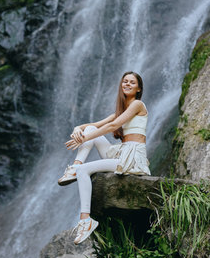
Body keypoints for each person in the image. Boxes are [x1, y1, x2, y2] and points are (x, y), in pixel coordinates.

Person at [58, 71, 151, 245]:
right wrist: (79, 129)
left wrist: (84, 139)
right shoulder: (121, 110)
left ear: (139, 88)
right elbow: (93, 126)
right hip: (121, 152)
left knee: (84, 170)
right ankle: (74, 167)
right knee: (90, 131)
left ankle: (86, 220)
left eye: (132, 82)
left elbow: (113, 126)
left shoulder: (138, 104)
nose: (128, 84)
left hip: (132, 157)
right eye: (125, 81)